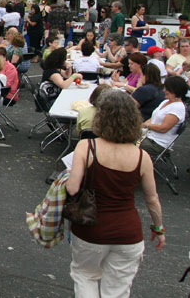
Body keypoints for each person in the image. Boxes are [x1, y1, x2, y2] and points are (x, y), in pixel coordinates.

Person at [66, 91, 165, 297]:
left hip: (91, 227)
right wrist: (158, 228)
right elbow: (152, 198)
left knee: (85, 275)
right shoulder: (142, 157)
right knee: (118, 288)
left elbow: (73, 188)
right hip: (128, 232)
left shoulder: (87, 146)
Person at [140, 75, 189, 158]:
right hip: (150, 136)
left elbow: (163, 129)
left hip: (157, 144)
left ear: (174, 90)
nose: (164, 90)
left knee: (127, 141)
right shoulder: (166, 101)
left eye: (167, 88)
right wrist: (141, 127)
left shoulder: (178, 107)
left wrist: (146, 126)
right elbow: (153, 118)